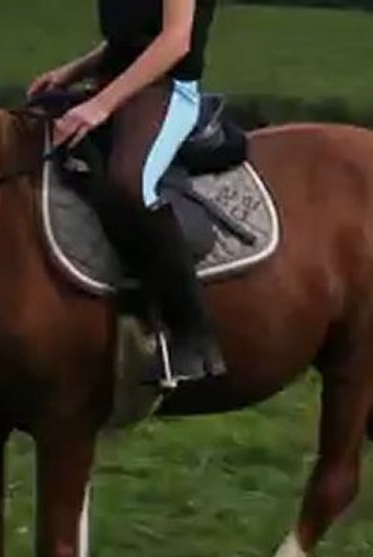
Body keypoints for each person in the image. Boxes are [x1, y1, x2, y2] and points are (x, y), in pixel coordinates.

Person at [28, 0, 222, 385]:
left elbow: (174, 41)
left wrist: (100, 105)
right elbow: (129, 40)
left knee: (129, 183)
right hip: (118, 84)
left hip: (167, 92)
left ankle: (192, 336)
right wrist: (72, 73)